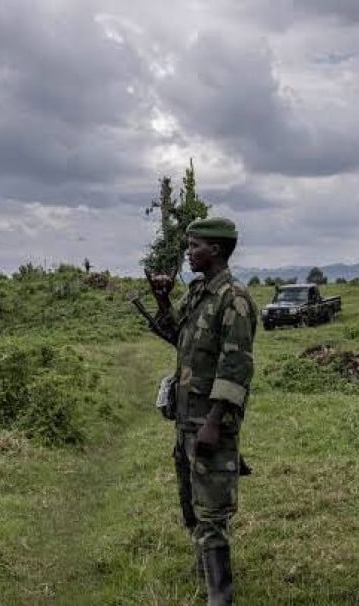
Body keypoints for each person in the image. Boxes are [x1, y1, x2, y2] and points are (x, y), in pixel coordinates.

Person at [148, 217, 257, 605]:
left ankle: (220, 596)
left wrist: (213, 423)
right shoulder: (199, 294)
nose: (189, 253)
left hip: (210, 422)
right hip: (186, 420)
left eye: (195, 246)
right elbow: (178, 337)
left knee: (212, 513)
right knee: (192, 506)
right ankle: (206, 573)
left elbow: (237, 366)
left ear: (216, 249)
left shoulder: (234, 299)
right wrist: (162, 300)